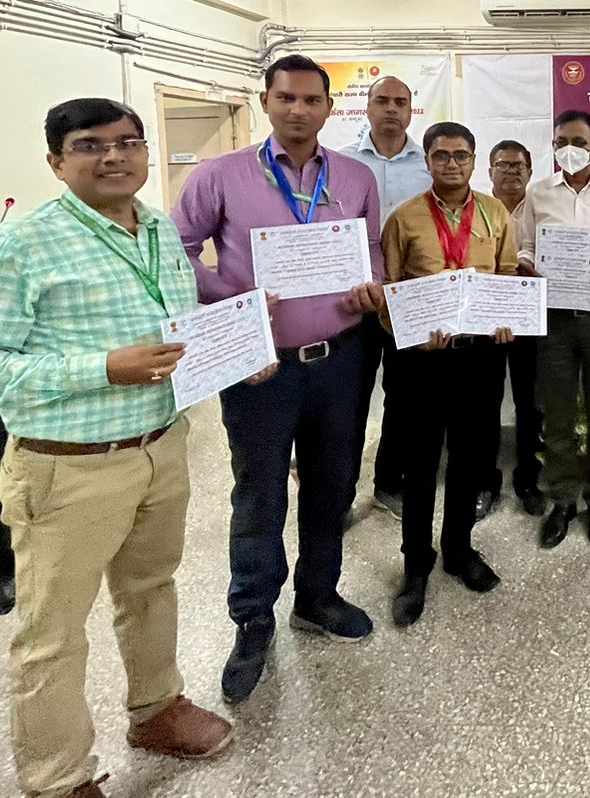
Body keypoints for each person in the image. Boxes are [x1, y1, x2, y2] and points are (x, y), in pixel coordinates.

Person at [0, 97, 231, 798]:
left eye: (128, 142)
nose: (114, 156)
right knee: (53, 632)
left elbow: (175, 328)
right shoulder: (19, 246)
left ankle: (156, 708)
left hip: (162, 446)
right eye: (91, 145)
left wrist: (230, 348)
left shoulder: (158, 230)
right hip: (69, 465)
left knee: (150, 590)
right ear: (56, 162)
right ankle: (57, 776)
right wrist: (101, 368)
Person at [173, 55, 385, 704]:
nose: (298, 110)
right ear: (265, 101)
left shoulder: (355, 177)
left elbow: (371, 248)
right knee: (259, 494)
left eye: (311, 100)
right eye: (286, 98)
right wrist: (231, 296)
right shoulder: (219, 176)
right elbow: (175, 252)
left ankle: (318, 596)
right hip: (258, 364)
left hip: (341, 360)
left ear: (328, 108)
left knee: (332, 486)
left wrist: (372, 285)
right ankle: (252, 620)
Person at [380, 121, 520, 627]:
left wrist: (506, 317)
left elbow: (507, 276)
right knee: (420, 463)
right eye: (441, 155)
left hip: (480, 356)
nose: (452, 164)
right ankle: (416, 563)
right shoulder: (404, 218)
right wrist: (412, 334)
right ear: (428, 161)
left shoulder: (495, 212)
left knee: (470, 456)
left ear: (474, 161)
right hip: (423, 360)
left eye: (461, 155)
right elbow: (389, 290)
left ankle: (459, 549)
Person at [515, 110, 590, 549]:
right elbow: (525, 244)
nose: (570, 149)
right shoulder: (538, 192)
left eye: (579, 142)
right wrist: (528, 264)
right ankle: (563, 499)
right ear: (553, 146)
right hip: (553, 319)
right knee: (558, 415)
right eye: (561, 142)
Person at [341, 75, 432, 520]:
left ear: (411, 110)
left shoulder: (428, 166)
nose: (391, 109)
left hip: (408, 298)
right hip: (354, 300)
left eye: (400, 101)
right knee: (349, 401)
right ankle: (339, 494)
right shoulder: (341, 163)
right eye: (382, 101)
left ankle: (388, 483)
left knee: (403, 398)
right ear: (368, 107)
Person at [480, 140, 547, 519]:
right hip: (485, 316)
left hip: (529, 315)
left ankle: (528, 479)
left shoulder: (542, 207)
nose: (510, 171)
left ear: (530, 172)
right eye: (502, 165)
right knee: (484, 401)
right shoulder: (476, 209)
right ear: (489, 171)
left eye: (518, 166)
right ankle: (485, 482)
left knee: (530, 402)